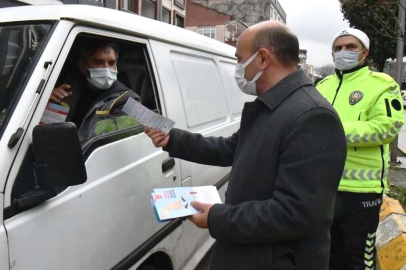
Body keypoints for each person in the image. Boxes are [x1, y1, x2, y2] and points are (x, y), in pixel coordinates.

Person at [145, 21, 347, 270]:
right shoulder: (273, 106)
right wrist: (173, 139)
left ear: (262, 59)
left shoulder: (313, 117)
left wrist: (217, 217)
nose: (238, 68)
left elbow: (296, 213)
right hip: (249, 253)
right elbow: (230, 148)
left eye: (240, 60)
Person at [316, 28, 405, 270]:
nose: (343, 51)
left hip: (362, 193)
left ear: (364, 52)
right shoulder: (322, 86)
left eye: (350, 47)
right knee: (326, 257)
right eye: (338, 47)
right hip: (324, 188)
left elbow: (387, 128)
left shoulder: (382, 85)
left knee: (358, 260)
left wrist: (334, 130)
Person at [49, 41, 140, 141]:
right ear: (83, 67)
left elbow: (112, 144)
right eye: (98, 62)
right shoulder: (68, 89)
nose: (106, 69)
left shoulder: (128, 100)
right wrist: (47, 103)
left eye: (111, 63)